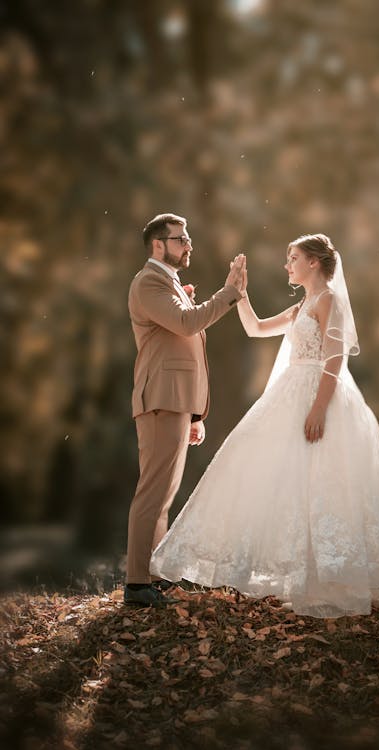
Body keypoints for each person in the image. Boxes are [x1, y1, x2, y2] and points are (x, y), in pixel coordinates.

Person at [150, 233, 379, 618]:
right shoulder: (302, 306)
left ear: (314, 263)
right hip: (290, 395)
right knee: (272, 468)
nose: (287, 265)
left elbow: (335, 359)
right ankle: (303, 576)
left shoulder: (329, 301)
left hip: (321, 396)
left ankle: (332, 580)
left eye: (293, 258)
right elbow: (255, 328)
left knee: (325, 481)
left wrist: (319, 408)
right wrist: (238, 292)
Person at [124, 212, 246, 607]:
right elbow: (185, 323)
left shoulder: (169, 282)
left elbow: (181, 341)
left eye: (188, 238)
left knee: (164, 494)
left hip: (176, 401)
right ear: (158, 245)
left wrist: (194, 413)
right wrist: (227, 293)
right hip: (159, 398)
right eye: (180, 239)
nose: (188, 244)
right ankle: (137, 584)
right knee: (152, 492)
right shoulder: (148, 281)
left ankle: (151, 578)